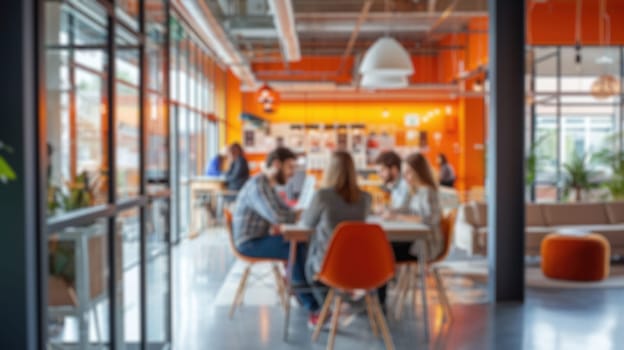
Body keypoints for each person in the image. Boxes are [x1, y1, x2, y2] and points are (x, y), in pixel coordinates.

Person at [232, 147, 317, 311]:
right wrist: (299, 215)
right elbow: (277, 217)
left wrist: (299, 213)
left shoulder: (267, 185)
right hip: (249, 244)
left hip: (257, 239)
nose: (292, 173)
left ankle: (301, 290)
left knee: (298, 244)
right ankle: (310, 304)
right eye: (290, 167)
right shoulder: (259, 185)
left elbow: (284, 210)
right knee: (295, 246)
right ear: (277, 164)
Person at [302, 151, 372, 327]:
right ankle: (349, 302)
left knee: (310, 255)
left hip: (328, 264)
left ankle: (326, 308)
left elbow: (307, 224)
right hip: (357, 264)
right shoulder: (365, 198)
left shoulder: (322, 196)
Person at [377, 153, 444, 307]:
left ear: (419, 172)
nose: (405, 177)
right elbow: (406, 209)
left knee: (381, 252)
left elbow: (429, 219)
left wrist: (397, 217)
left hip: (427, 246)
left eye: (408, 172)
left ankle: (379, 301)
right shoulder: (416, 190)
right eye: (404, 172)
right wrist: (391, 211)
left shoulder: (427, 191)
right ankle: (378, 299)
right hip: (419, 242)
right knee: (382, 249)